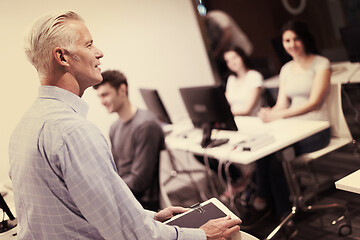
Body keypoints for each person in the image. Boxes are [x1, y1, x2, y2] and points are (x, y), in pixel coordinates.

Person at [8, 10, 241, 239]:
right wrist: (202, 235)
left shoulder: (24, 127)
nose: (99, 53)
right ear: (62, 57)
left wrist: (146, 217)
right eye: (89, 45)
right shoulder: (73, 132)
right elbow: (131, 235)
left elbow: (73, 210)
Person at [244, 20, 332, 226]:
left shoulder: (321, 63)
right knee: (265, 150)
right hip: (293, 128)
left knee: (275, 157)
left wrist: (280, 116)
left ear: (304, 39)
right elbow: (282, 103)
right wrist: (269, 112)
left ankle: (275, 208)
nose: (291, 44)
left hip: (317, 129)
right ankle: (269, 203)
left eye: (295, 39)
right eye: (287, 40)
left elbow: (313, 103)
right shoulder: (286, 69)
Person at [93, 70, 164, 211]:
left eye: (105, 95)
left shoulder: (146, 125)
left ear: (122, 90)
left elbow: (140, 182)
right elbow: (115, 170)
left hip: (145, 204)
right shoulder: (114, 127)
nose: (102, 102)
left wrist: (107, 192)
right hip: (126, 196)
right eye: (99, 97)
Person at [204, 10, 253, 89]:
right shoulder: (232, 80)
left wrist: (217, 52)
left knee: (247, 77)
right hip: (228, 53)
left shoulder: (217, 16)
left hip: (241, 49)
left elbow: (228, 34)